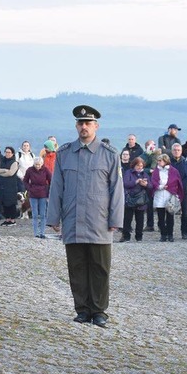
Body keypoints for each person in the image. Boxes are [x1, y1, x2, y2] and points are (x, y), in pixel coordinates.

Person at [46, 105, 123, 328]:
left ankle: (99, 311)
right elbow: (57, 188)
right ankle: (82, 309)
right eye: (80, 123)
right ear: (76, 126)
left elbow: (117, 189)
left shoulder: (109, 155)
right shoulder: (65, 154)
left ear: (96, 126)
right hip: (73, 219)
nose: (84, 127)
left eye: (88, 123)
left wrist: (115, 219)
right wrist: (53, 218)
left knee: (100, 268)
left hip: (99, 221)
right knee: (77, 267)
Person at [150, 154, 184, 243]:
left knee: (170, 217)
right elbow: (153, 181)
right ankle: (163, 234)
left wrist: (171, 189)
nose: (159, 162)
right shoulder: (156, 171)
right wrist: (160, 186)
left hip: (170, 195)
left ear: (165, 161)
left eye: (160, 160)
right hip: (159, 195)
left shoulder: (173, 171)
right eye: (158, 161)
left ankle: (170, 234)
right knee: (160, 217)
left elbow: (177, 181)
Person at [120, 157, 149, 242]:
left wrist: (146, 184)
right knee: (127, 219)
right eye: (138, 165)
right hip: (130, 198)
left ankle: (139, 236)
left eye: (141, 165)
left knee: (140, 219)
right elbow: (125, 183)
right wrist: (135, 182)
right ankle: (126, 236)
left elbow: (150, 186)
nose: (140, 167)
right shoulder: (128, 173)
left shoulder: (145, 174)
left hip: (141, 200)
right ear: (134, 165)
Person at [23, 156, 52, 238]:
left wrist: (48, 190)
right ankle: (36, 233)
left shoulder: (46, 170)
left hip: (43, 194)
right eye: (36, 164)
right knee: (35, 214)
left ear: (42, 164)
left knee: (43, 214)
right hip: (33, 194)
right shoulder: (30, 170)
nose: (37, 166)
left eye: (39, 165)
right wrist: (29, 188)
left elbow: (51, 181)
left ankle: (42, 232)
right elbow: (25, 180)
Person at [0, 146, 21, 226]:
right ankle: (7, 219)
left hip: (11, 186)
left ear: (12, 153)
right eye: (6, 152)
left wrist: (1, 173)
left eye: (9, 152)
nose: (7, 154)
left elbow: (11, 173)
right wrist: (4, 170)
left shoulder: (14, 162)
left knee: (11, 203)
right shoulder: (1, 161)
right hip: (2, 186)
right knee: (3, 202)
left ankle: (12, 220)